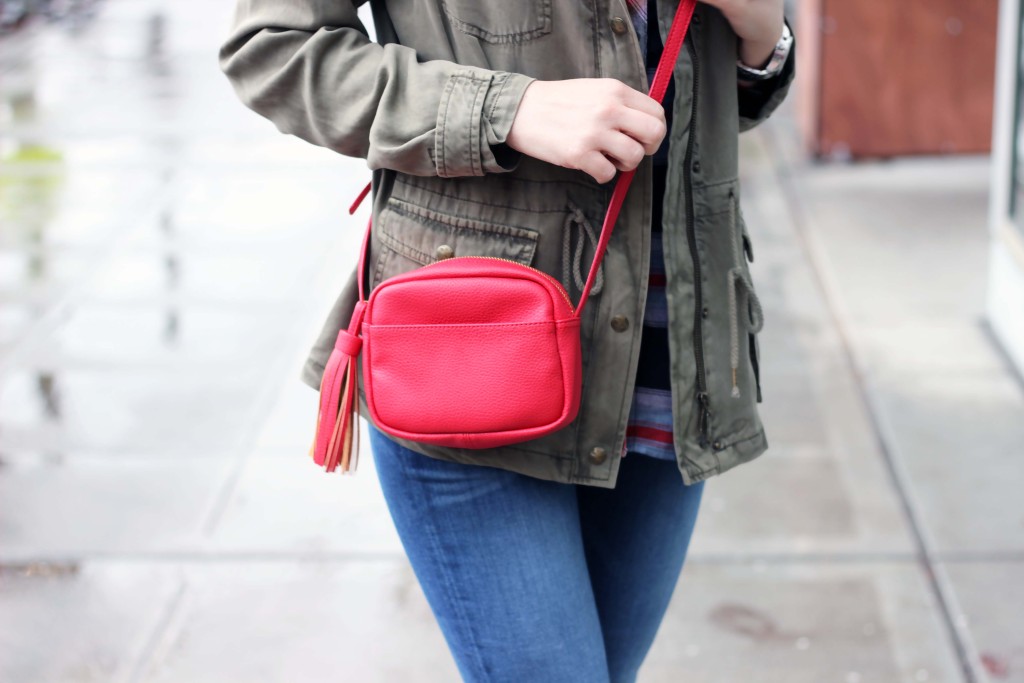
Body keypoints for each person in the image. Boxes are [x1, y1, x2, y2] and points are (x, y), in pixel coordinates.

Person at [220, 0, 795, 680]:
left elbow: (710, 104)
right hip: (474, 350)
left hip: (672, 353)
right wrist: (507, 111)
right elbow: (272, 51)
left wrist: (763, 34)